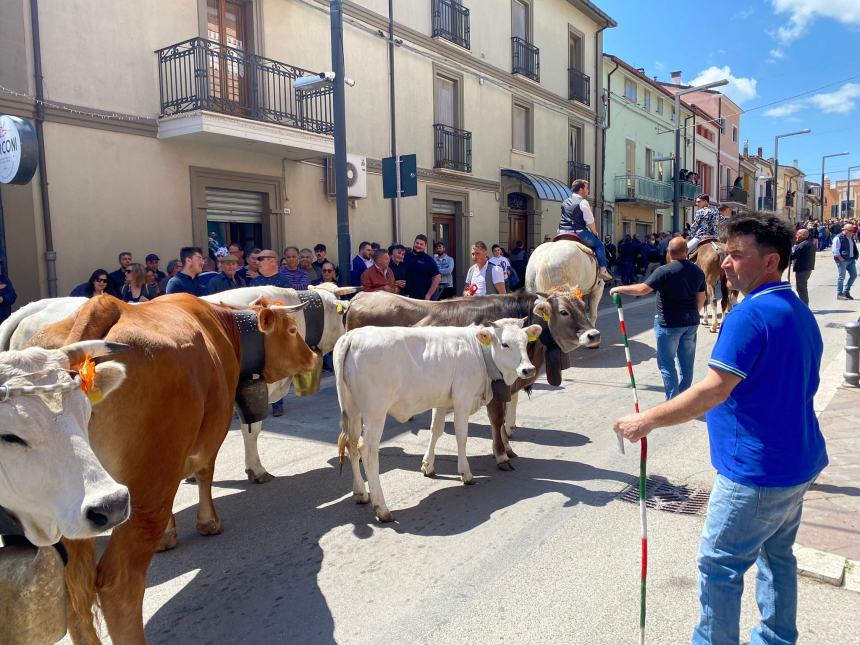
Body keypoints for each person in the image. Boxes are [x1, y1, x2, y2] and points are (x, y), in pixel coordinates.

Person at [613, 214, 827, 644]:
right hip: (799, 461)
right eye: (725, 254)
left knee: (719, 564)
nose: (724, 264)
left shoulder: (748, 315)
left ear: (771, 262)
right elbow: (767, 390)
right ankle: (777, 638)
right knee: (776, 557)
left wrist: (646, 420)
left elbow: (714, 389)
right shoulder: (799, 311)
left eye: (736, 255)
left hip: (756, 472)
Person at [611, 237, 705, 399]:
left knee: (667, 364)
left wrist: (620, 288)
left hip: (668, 324)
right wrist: (692, 314)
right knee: (686, 364)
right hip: (691, 323)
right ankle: (682, 399)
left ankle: (672, 401)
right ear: (686, 252)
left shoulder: (664, 271)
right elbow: (701, 299)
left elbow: (642, 290)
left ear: (669, 252)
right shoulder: (698, 271)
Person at [558, 179, 612, 282]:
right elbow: (590, 221)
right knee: (599, 245)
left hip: (562, 233)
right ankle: (603, 270)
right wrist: (594, 232)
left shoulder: (564, 203)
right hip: (579, 232)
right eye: (587, 188)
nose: (588, 191)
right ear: (581, 189)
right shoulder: (583, 202)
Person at [404, 234, 441, 300]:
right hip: (407, 297)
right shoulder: (406, 256)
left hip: (423, 299)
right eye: (417, 243)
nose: (418, 245)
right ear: (414, 243)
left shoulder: (428, 260)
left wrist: (429, 294)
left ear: (425, 246)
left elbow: (437, 278)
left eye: (421, 244)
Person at [833, 223, 858, 300]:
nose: (852, 232)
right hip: (842, 260)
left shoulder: (850, 237)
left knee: (854, 275)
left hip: (851, 259)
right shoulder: (838, 238)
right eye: (850, 230)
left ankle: (846, 291)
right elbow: (835, 251)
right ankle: (839, 293)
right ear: (845, 230)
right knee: (841, 277)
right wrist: (841, 259)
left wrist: (855, 256)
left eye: (852, 230)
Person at [790, 228, 815, 305]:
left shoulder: (803, 245)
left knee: (801, 288)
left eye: (798, 234)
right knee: (800, 287)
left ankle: (804, 305)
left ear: (803, 235)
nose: (796, 235)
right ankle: (803, 303)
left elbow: (793, 256)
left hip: (802, 269)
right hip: (806, 268)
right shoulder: (807, 243)